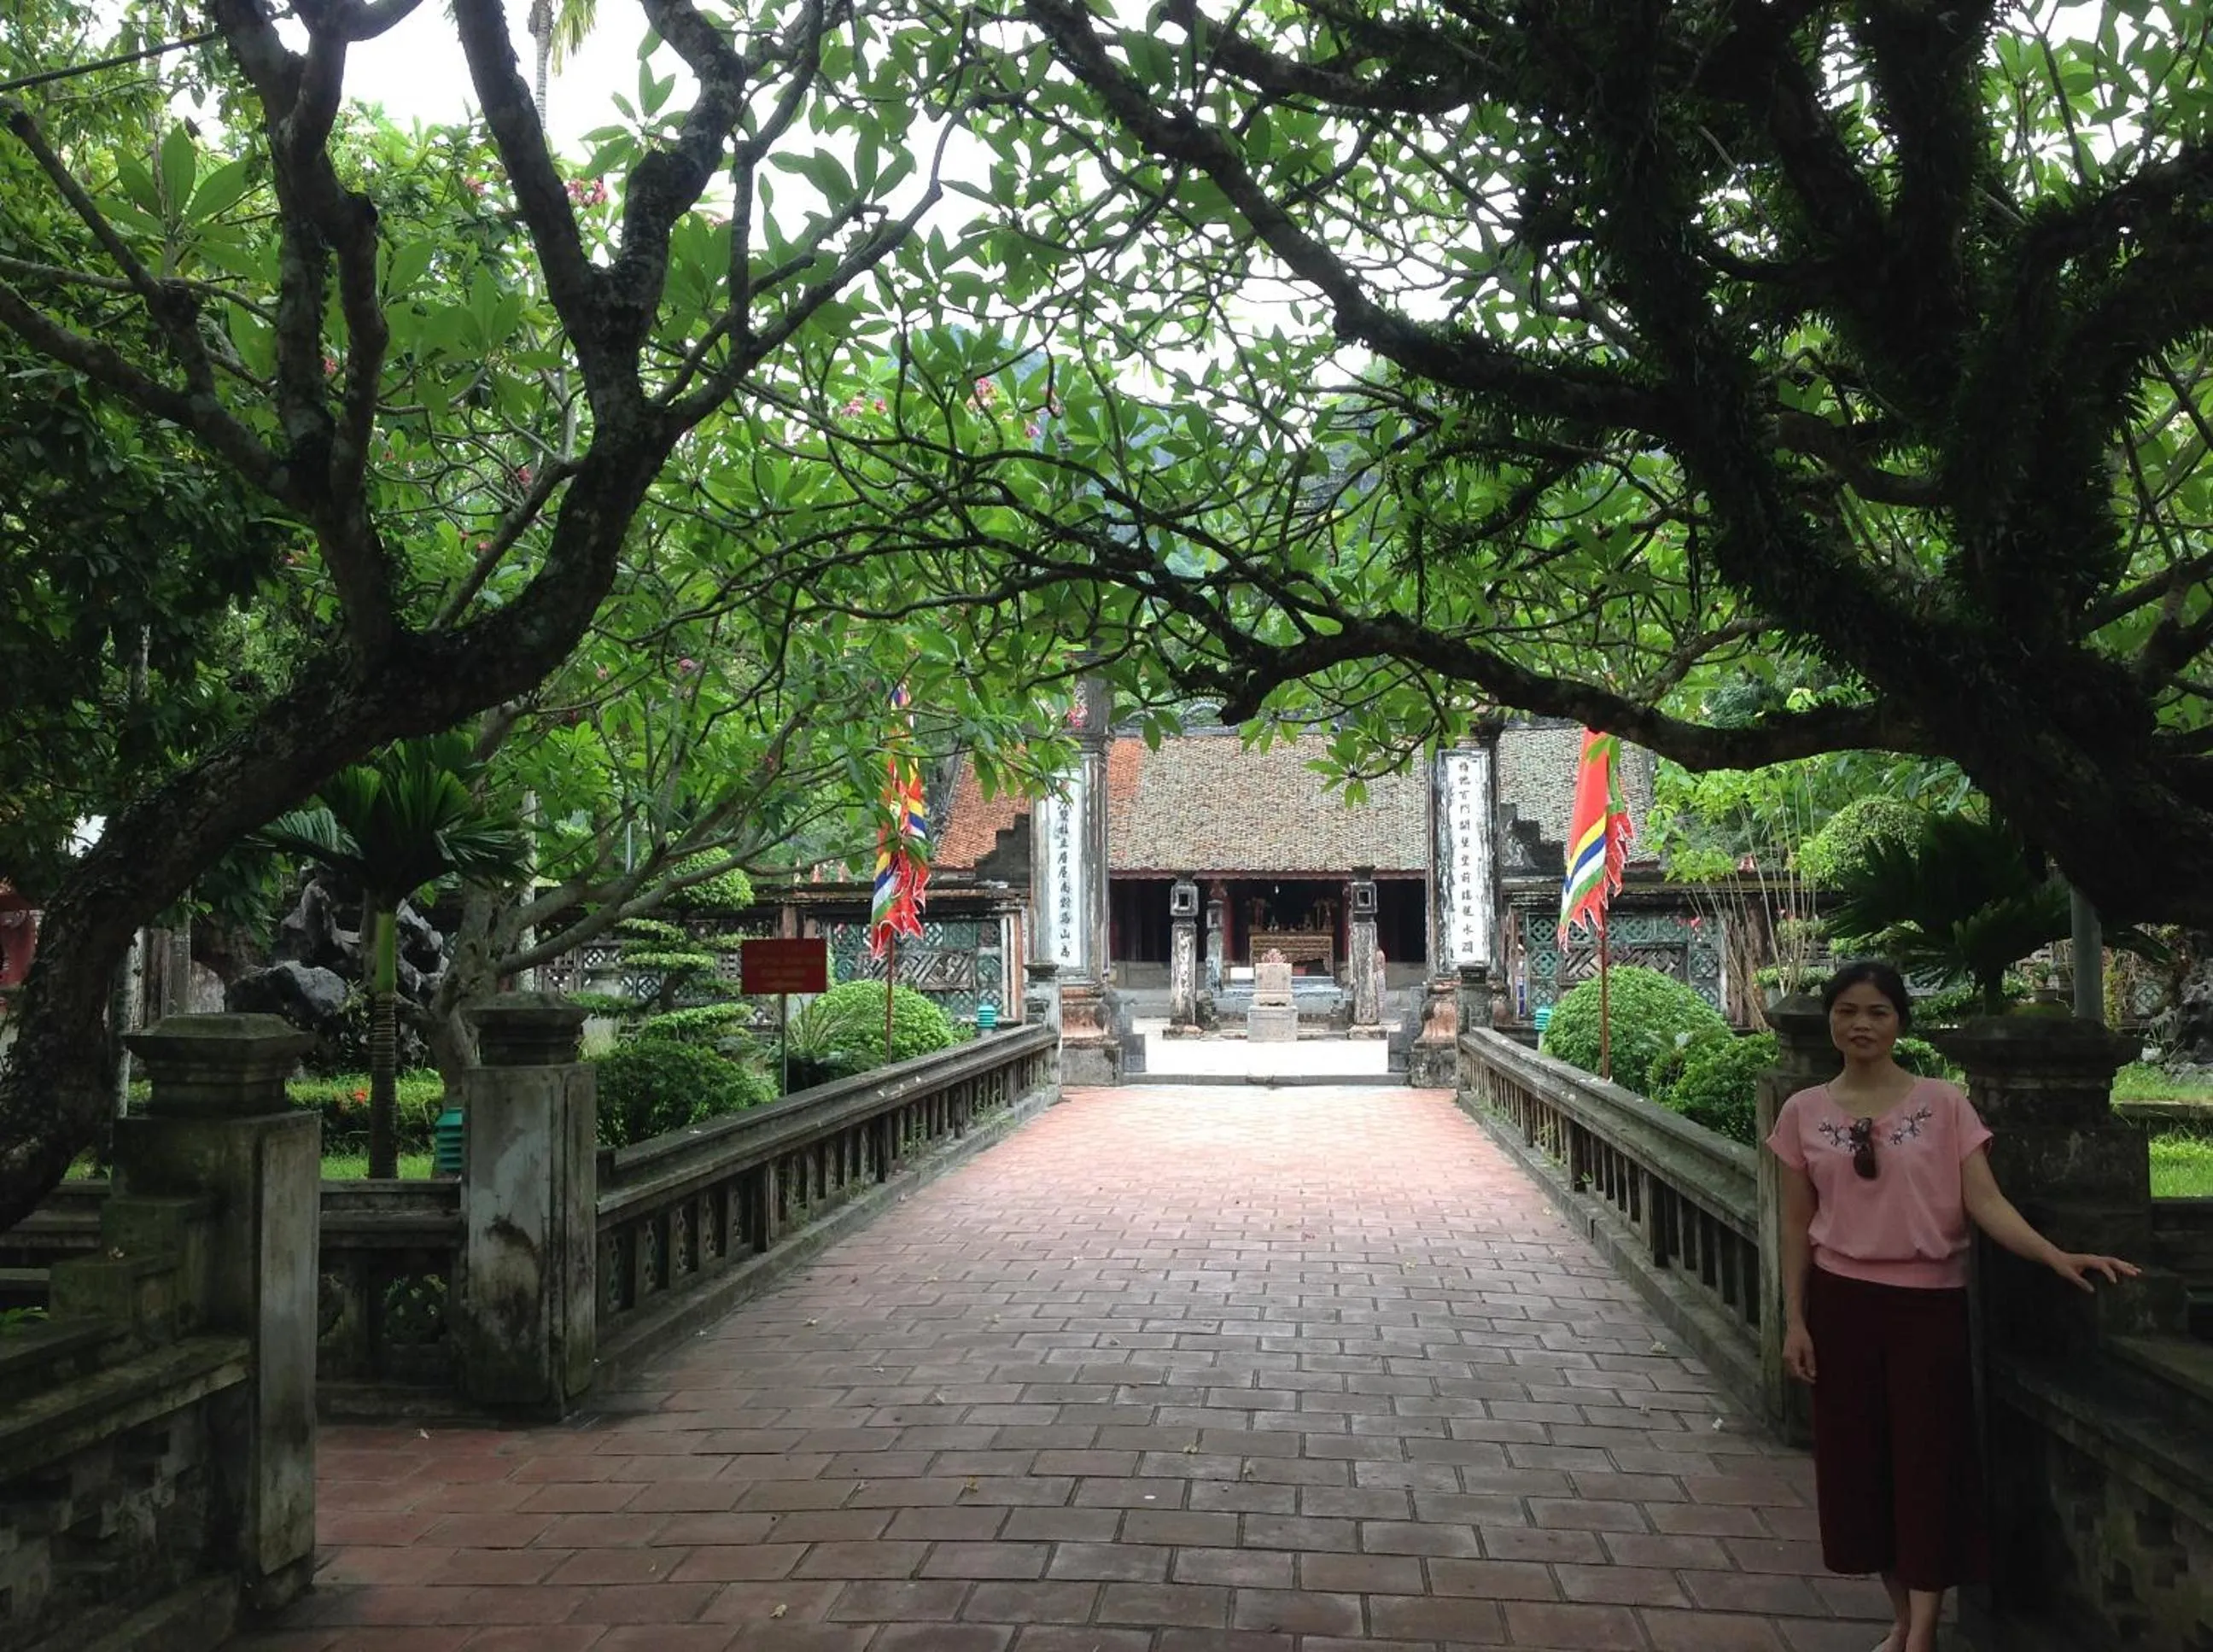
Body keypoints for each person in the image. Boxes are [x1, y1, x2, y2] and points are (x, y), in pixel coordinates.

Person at [1766, 960, 2139, 1652]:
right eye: (1847, 1010)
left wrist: (2057, 1254)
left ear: (1900, 1019)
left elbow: (1985, 1201)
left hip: (1928, 1306)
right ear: (1830, 1021)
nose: (1861, 1024)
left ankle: (1926, 1631)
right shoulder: (1803, 1112)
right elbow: (1795, 1223)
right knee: (1862, 1465)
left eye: (1878, 1010)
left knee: (1927, 1461)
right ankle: (1903, 1617)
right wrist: (1795, 1317)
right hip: (1842, 1306)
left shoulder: (1943, 1104)